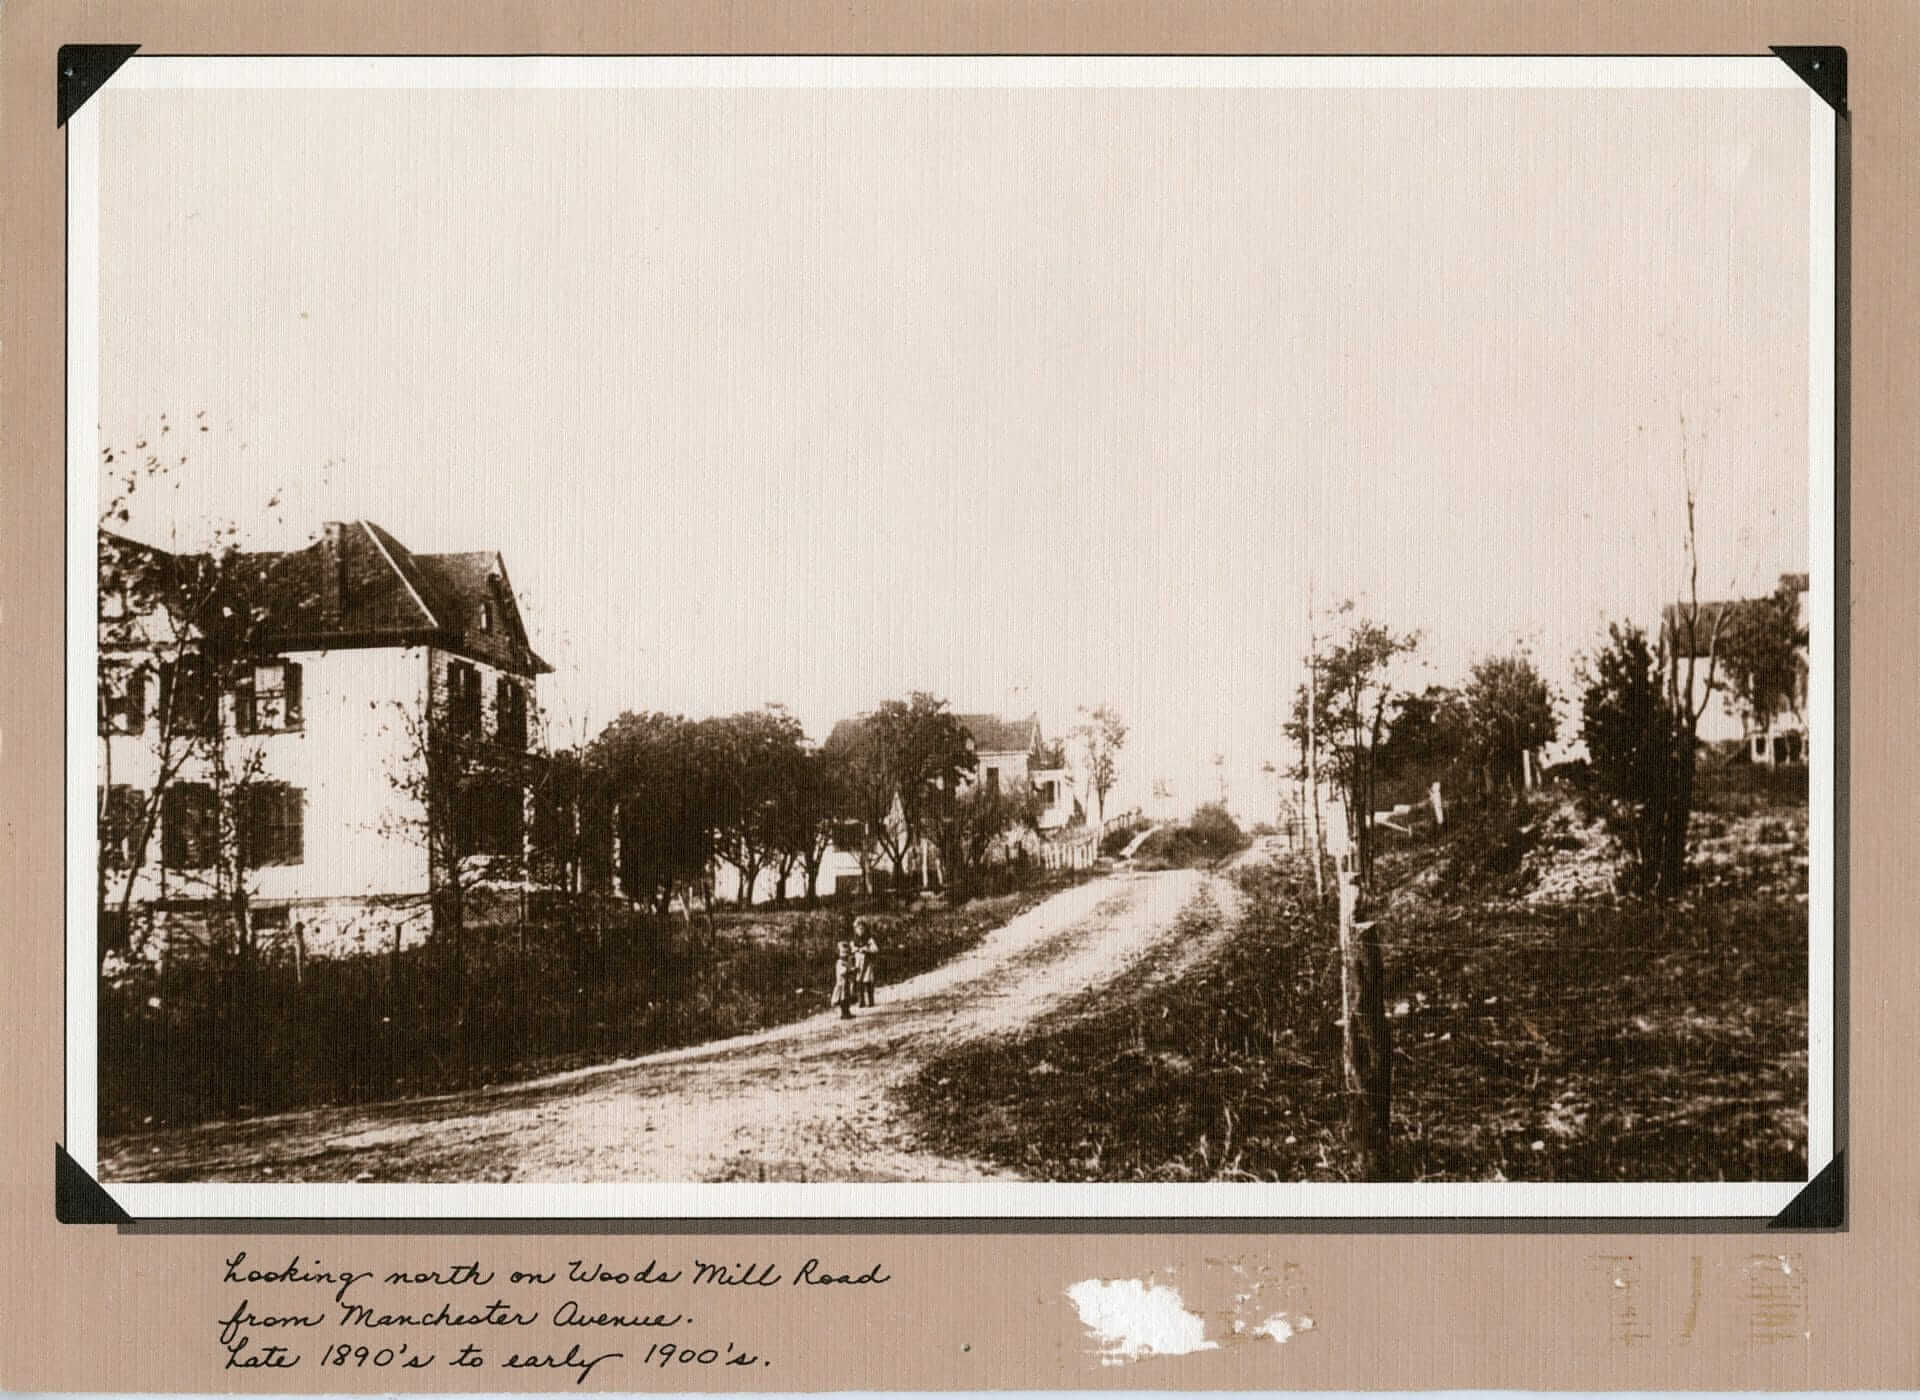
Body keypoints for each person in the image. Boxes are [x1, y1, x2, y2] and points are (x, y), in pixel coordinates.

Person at [854, 922, 880, 1008]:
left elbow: (875, 949)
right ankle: (861, 1001)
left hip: (867, 963)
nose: (860, 930)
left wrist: (867, 949)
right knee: (859, 982)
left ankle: (871, 1001)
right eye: (858, 929)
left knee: (868, 981)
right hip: (858, 964)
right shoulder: (854, 940)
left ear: (865, 929)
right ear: (855, 930)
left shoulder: (869, 939)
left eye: (862, 928)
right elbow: (850, 950)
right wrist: (856, 949)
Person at [831, 940, 857, 1019]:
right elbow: (842, 972)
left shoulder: (847, 961)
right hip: (841, 984)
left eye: (846, 953)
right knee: (843, 999)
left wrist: (852, 969)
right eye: (843, 953)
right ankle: (844, 1013)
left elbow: (849, 969)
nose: (845, 955)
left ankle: (847, 1012)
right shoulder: (840, 962)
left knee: (847, 997)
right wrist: (850, 970)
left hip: (847, 983)